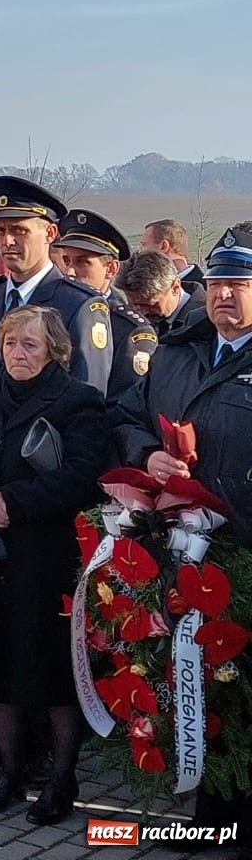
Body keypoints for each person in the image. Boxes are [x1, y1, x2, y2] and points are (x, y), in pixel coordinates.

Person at [0, 306, 107, 826]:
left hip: (47, 555)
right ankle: (12, 772)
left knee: (52, 671)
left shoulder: (79, 402)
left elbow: (83, 475)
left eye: (30, 345)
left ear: (54, 350)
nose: (18, 354)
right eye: (10, 343)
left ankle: (61, 778)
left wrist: (14, 499)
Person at [113, 223, 252, 841]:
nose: (225, 295)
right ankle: (213, 819)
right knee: (201, 690)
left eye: (241, 285)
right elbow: (123, 413)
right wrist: (148, 458)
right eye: (219, 283)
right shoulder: (176, 350)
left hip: (244, 547)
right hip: (183, 552)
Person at [0, 177, 112, 402]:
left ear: (50, 234)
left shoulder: (79, 304)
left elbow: (86, 401)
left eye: (19, 230)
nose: (7, 241)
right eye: (1, 230)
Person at [55, 209, 157, 397]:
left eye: (82, 262)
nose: (69, 271)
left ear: (110, 269)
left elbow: (126, 403)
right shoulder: (51, 310)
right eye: (66, 261)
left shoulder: (130, 330)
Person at [115, 248, 206, 335]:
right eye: (134, 305)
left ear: (175, 288)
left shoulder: (207, 322)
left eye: (150, 305)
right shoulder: (129, 320)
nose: (142, 313)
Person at [141, 218, 206, 292]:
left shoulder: (203, 292)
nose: (140, 252)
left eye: (144, 245)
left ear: (163, 246)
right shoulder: (154, 284)